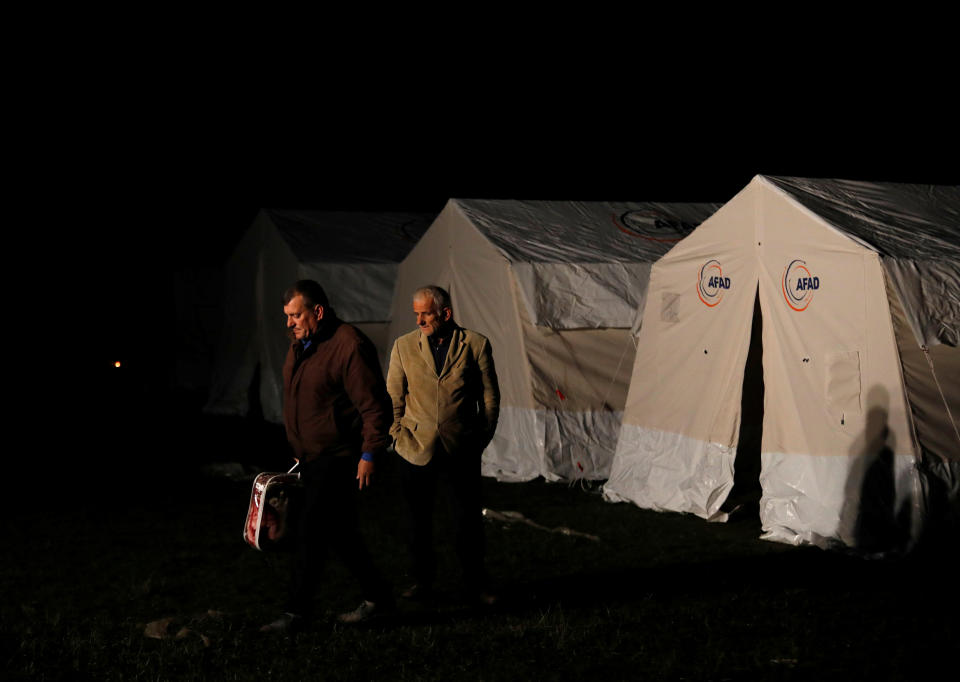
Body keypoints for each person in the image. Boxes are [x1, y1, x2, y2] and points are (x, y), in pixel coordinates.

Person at [260, 280, 393, 633]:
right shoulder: (300, 346)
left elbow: (374, 406)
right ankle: (379, 598)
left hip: (338, 456)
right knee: (340, 533)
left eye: (296, 315)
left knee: (309, 532)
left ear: (317, 311)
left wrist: (370, 453)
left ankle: (296, 613)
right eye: (286, 316)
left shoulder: (348, 345)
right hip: (309, 457)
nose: (289, 323)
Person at [386, 285, 500, 605]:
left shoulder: (475, 344)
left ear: (445, 313)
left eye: (425, 313)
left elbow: (489, 396)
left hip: (460, 447)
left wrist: (482, 436)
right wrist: (397, 434)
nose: (419, 319)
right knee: (416, 522)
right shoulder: (404, 346)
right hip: (414, 447)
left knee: (466, 520)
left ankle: (475, 582)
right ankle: (421, 582)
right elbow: (393, 396)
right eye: (416, 313)